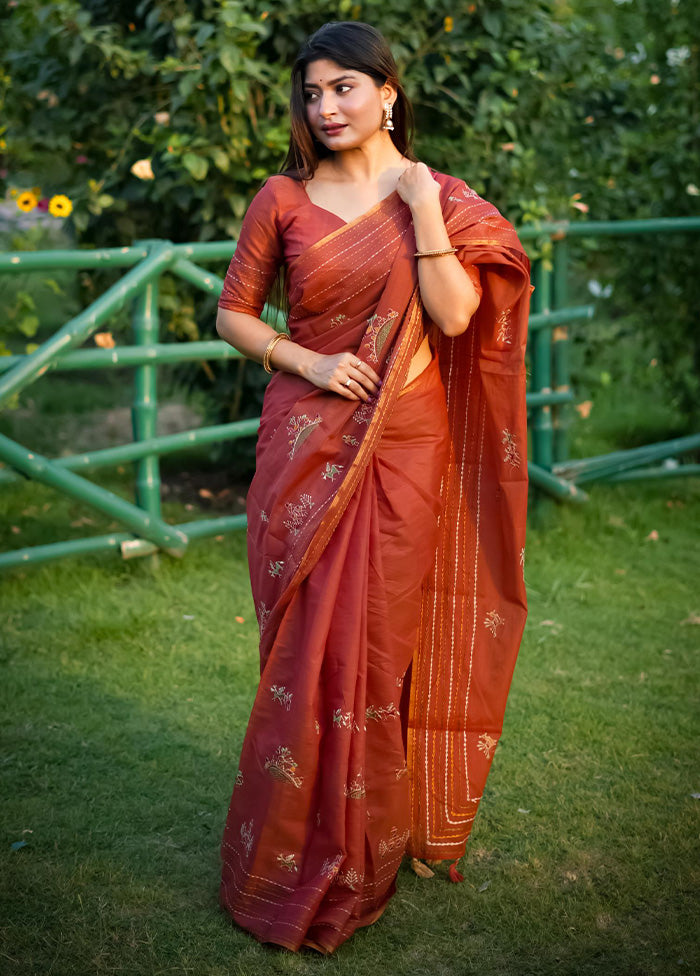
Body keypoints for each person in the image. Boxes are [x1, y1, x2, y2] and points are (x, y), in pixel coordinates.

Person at [215, 20, 532, 955]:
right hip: (306, 439)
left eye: (344, 88)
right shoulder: (282, 196)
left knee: (377, 648)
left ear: (388, 92)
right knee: (305, 644)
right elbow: (233, 312)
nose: (326, 108)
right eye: (312, 93)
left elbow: (457, 314)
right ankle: (282, 856)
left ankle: (361, 854)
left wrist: (420, 205)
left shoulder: (441, 198)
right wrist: (306, 362)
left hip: (405, 440)